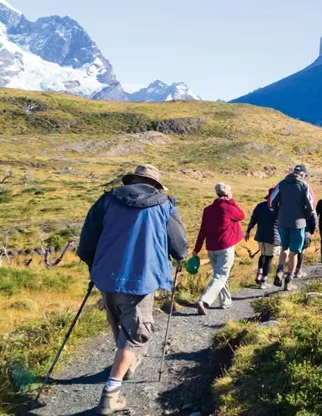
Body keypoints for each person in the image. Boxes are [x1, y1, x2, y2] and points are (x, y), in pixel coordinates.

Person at [78, 164, 187, 415]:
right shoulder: (164, 204)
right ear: (154, 184)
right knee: (136, 333)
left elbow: (87, 241)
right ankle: (110, 395)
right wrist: (179, 257)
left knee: (120, 324)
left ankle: (124, 365)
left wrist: (94, 266)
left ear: (132, 180)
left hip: (106, 274)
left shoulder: (107, 200)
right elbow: (179, 244)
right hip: (141, 277)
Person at [192, 182, 246, 315]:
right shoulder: (228, 208)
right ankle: (204, 300)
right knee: (221, 275)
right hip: (225, 247)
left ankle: (225, 301)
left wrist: (197, 249)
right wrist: (231, 200)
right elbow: (241, 216)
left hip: (211, 247)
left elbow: (202, 230)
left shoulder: (208, 209)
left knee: (220, 275)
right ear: (227, 193)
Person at [268, 165, 317, 291]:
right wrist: (305, 216)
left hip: (283, 221)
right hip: (298, 223)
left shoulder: (282, 183)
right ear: (303, 174)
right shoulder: (304, 185)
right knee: (294, 252)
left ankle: (279, 269)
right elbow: (311, 206)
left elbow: (272, 201)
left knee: (285, 248)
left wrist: (278, 213)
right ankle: (289, 280)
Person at [246, 188, 280, 289]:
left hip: (260, 235)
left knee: (263, 255)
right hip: (273, 236)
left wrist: (248, 231)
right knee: (269, 258)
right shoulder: (279, 207)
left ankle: (259, 274)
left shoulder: (260, 206)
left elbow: (253, 219)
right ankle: (263, 281)